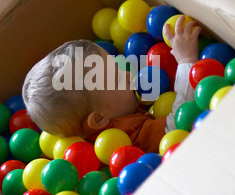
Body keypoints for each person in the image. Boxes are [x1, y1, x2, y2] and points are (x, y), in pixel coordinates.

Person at [22, 15, 202, 153]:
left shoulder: (112, 114)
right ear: (99, 119)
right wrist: (186, 61)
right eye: (117, 79)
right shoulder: (125, 135)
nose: (127, 74)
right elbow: (179, 126)